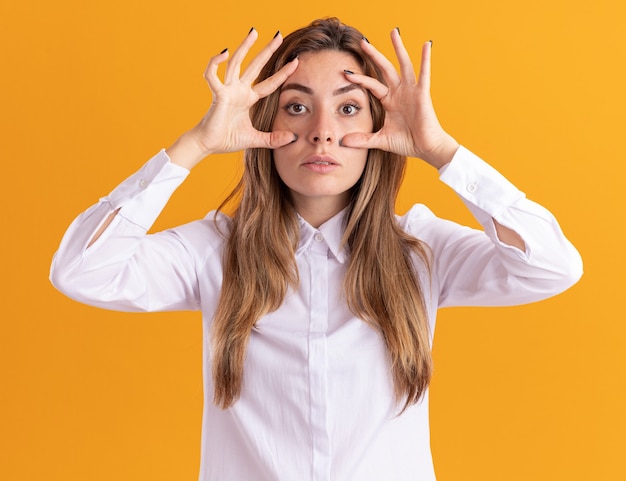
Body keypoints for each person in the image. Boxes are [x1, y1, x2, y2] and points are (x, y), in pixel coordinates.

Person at [50, 17, 582, 481]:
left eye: (349, 108)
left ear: (378, 127)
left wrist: (442, 152)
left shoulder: (420, 249)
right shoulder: (214, 250)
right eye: (297, 107)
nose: (323, 132)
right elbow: (81, 270)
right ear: (266, 126)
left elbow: (552, 266)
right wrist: (197, 144)